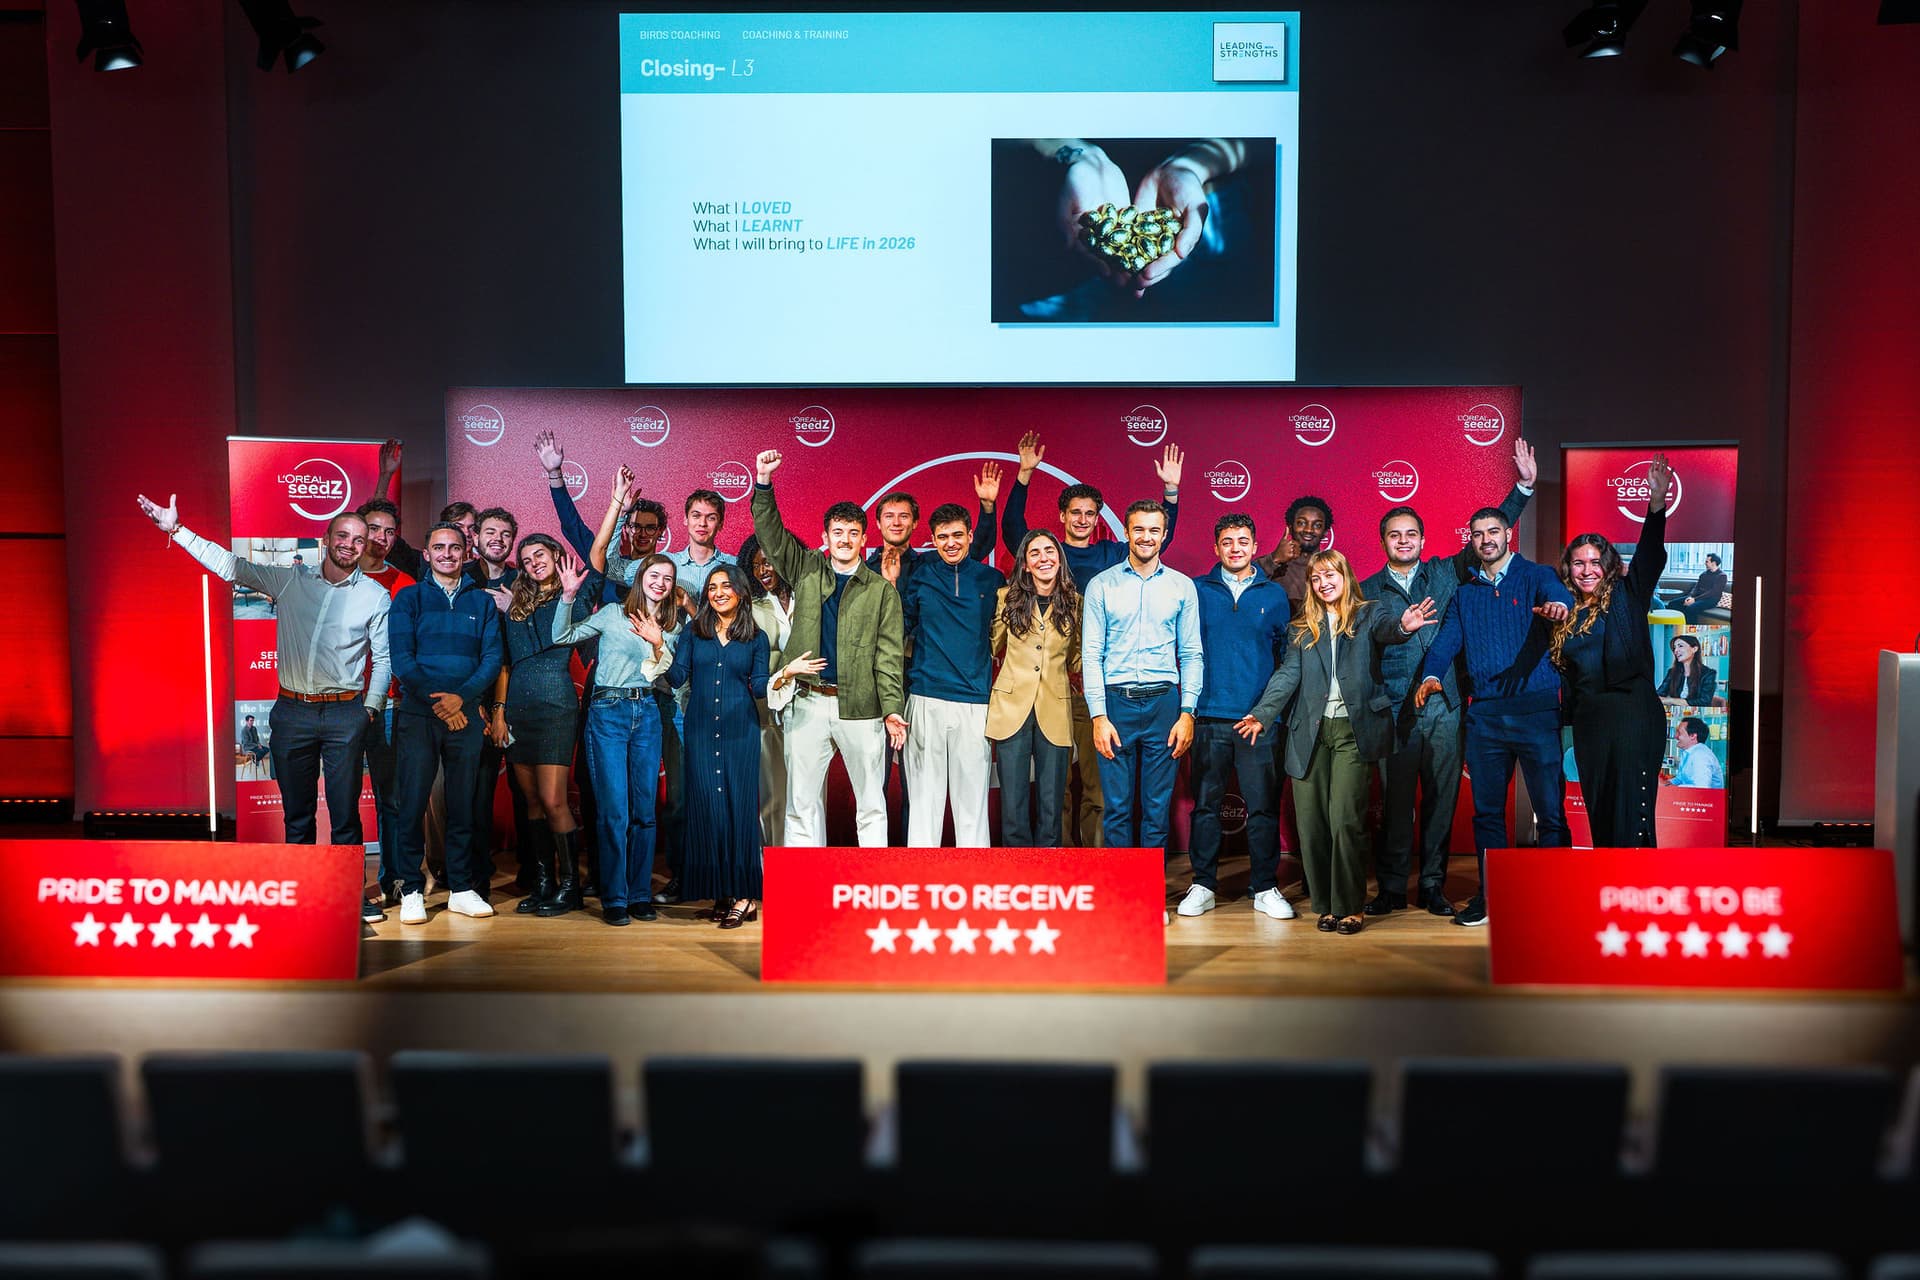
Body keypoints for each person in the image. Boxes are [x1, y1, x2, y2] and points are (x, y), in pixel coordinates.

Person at [136, 492, 391, 915]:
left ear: (366, 547)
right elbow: (230, 566)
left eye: (358, 539)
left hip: (346, 713)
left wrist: (370, 710)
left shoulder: (375, 596)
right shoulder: (289, 580)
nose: (349, 544)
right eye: (342, 536)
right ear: (326, 539)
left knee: (345, 812)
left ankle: (349, 895)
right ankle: (301, 893)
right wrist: (176, 530)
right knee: (297, 814)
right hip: (292, 712)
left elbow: (382, 660)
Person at [1361, 437, 1538, 917]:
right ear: (1383, 542)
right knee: (1396, 804)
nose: (1403, 541)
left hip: (1445, 708)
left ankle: (1432, 887)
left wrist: (1523, 489)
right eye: (1394, 535)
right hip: (1394, 711)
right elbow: (1369, 643)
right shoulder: (1366, 590)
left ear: (1423, 540)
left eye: (1411, 534)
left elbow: (1489, 536)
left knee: (1441, 802)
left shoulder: (1445, 573)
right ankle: (1391, 889)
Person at [1000, 430, 1184, 847]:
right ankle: (1064, 861)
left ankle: (1100, 863)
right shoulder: (1049, 555)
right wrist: (1024, 476)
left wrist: (1171, 494)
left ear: (1098, 518)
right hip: (1053, 685)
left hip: (1097, 686)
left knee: (1099, 788)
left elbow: (1158, 539)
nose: (1082, 519)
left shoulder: (1111, 556)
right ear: (1062, 516)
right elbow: (1013, 531)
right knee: (1056, 787)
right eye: (1075, 512)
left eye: (1090, 513)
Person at [1238, 552, 1437, 934]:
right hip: (1309, 733)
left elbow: (1390, 629)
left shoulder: (1369, 614)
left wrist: (1405, 626)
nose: (1323, 583)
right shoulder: (1302, 627)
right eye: (1316, 578)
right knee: (1312, 824)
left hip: (1352, 731)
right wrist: (1262, 714)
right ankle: (1327, 905)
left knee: (1346, 819)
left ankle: (1350, 906)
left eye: (1330, 575)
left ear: (1345, 576)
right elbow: (1287, 675)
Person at [1413, 508, 1575, 927]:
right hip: (1485, 718)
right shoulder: (1465, 594)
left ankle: (1556, 898)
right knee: (1487, 815)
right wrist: (1431, 675)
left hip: (1537, 713)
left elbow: (1561, 596)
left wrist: (1560, 606)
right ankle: (1491, 898)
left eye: (1493, 531)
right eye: (1478, 534)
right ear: (1471, 540)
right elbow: (1445, 643)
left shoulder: (1535, 576)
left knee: (1550, 813)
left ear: (1508, 533)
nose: (1486, 539)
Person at [752, 449, 907, 847]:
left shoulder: (882, 591)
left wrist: (892, 709)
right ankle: (806, 881)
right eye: (838, 532)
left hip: (862, 707)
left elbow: (889, 659)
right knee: (801, 803)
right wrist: (764, 483)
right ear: (825, 538)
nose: (845, 540)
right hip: (807, 700)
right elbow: (770, 535)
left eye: (853, 533)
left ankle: (873, 881)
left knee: (872, 804)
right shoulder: (806, 568)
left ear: (864, 539)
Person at [1551, 455, 1676, 849]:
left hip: (1632, 715)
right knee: (1601, 812)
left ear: (1607, 565)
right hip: (1590, 723)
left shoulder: (1628, 594)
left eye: (1594, 562)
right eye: (1578, 563)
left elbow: (1650, 555)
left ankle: (1638, 882)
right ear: (1568, 568)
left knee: (1631, 813)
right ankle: (1609, 882)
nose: (1586, 570)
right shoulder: (1563, 612)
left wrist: (1656, 504)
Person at [387, 522, 503, 925]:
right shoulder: (409, 599)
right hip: (420, 715)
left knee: (462, 803)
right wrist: (442, 704)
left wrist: (461, 699)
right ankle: (411, 889)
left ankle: (461, 888)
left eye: (455, 547)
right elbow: (402, 660)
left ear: (466, 553)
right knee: (412, 803)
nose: (448, 554)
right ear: (427, 554)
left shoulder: (482, 602)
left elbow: (492, 659)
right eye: (439, 547)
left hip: (465, 714)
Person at [553, 550, 678, 924]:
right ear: (640, 578)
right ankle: (615, 898)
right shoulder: (613, 614)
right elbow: (562, 635)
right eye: (654, 575)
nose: (660, 583)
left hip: (647, 711)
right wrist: (568, 597)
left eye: (667, 578)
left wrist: (658, 642)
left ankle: (639, 895)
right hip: (608, 711)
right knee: (614, 812)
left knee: (644, 812)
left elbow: (669, 674)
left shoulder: (672, 624)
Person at [1181, 514, 1293, 920]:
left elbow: (1286, 659)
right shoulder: (1196, 590)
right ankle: (1203, 884)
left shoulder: (1274, 594)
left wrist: (1268, 712)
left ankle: (1264, 887)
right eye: (1227, 541)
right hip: (1209, 717)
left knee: (1262, 808)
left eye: (1243, 541)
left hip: (1258, 721)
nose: (1235, 548)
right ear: (1216, 547)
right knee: (1206, 807)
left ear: (1254, 546)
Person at [1082, 500, 1203, 853]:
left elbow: (1191, 654)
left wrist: (1188, 712)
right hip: (1115, 704)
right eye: (1138, 529)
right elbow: (1091, 655)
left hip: (1164, 705)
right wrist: (1098, 716)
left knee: (1156, 809)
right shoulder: (1101, 585)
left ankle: (1149, 887)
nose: (1146, 537)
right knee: (1117, 809)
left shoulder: (1182, 587)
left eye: (1154, 530)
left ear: (1164, 535)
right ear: (1126, 532)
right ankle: (1121, 887)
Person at [487, 533, 596, 913]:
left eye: (540, 554)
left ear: (556, 555)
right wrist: (499, 711)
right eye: (527, 559)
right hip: (519, 709)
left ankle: (570, 887)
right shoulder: (514, 605)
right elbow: (506, 663)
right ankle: (544, 882)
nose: (534, 562)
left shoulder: (573, 597)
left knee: (553, 800)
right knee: (531, 802)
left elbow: (598, 555)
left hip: (555, 708)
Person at [898, 504, 1007, 847]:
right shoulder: (921, 577)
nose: (951, 543)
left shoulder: (992, 580)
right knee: (923, 802)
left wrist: (988, 507)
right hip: (925, 697)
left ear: (971, 536)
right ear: (932, 540)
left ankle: (973, 873)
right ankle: (921, 872)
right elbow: (899, 629)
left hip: (975, 701)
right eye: (942, 537)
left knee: (972, 802)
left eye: (958, 535)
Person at [670, 563, 772, 927]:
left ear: (740, 592)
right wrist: (657, 645)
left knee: (740, 811)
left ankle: (745, 896)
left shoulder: (756, 638)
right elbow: (677, 677)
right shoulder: (693, 633)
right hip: (699, 729)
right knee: (708, 810)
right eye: (712, 587)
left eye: (726, 586)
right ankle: (722, 893)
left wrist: (785, 676)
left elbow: (759, 687)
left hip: (741, 731)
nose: (718, 593)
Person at [988, 531, 1081, 849]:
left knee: (1052, 798)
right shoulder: (1006, 597)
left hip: (1055, 706)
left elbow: (1077, 657)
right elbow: (992, 645)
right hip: (1011, 707)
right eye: (1035, 553)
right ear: (1025, 564)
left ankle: (1048, 863)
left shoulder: (1075, 603)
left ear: (1060, 559)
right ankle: (1017, 866)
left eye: (1050, 551)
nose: (1044, 558)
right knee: (1013, 798)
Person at [354, 497, 417, 909]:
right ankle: (342, 883)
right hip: (339, 703)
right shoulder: (334, 577)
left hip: (390, 706)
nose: (381, 537)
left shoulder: (405, 584)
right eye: (373, 529)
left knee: (390, 797)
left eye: (389, 531)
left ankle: (393, 879)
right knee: (341, 798)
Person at [739, 534, 796, 848]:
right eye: (755, 564)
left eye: (769, 561)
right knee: (773, 793)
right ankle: (772, 862)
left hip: (809, 707)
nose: (762, 569)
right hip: (767, 711)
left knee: (806, 793)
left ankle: (804, 862)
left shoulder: (808, 595)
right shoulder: (750, 604)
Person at [867, 478, 999, 588]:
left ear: (915, 522)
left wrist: (987, 507)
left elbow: (978, 547)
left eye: (904, 516)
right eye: (889, 516)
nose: (896, 522)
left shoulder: (931, 563)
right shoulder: (865, 571)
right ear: (878, 523)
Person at [1255, 495, 1335, 612]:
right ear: (1290, 527)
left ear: (1325, 532)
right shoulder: (1271, 564)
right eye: (1301, 523)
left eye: (1317, 525)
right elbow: (1241, 586)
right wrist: (1274, 559)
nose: (1308, 530)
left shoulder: (1333, 568)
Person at [1657, 633, 1718, 706]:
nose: (1676, 650)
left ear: (1694, 649)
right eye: (1674, 648)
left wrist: (1671, 700)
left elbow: (1704, 702)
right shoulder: (1672, 672)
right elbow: (1659, 695)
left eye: (1680, 646)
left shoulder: (1708, 674)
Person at [1674, 553, 1729, 624]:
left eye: (1707, 562)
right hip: (1697, 597)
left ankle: (1691, 628)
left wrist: (1694, 600)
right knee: (1673, 603)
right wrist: (1690, 596)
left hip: (1710, 599)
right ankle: (1678, 624)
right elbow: (1696, 587)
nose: (1705, 563)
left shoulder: (1722, 576)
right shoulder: (1703, 574)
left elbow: (1713, 592)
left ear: (1713, 563)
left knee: (1691, 608)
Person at [1672, 716, 1724, 788]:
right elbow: (1680, 779)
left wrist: (1672, 787)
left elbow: (1701, 788)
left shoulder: (1700, 756)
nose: (1675, 736)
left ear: (1693, 736)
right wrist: (1666, 783)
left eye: (1679, 733)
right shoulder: (1689, 753)